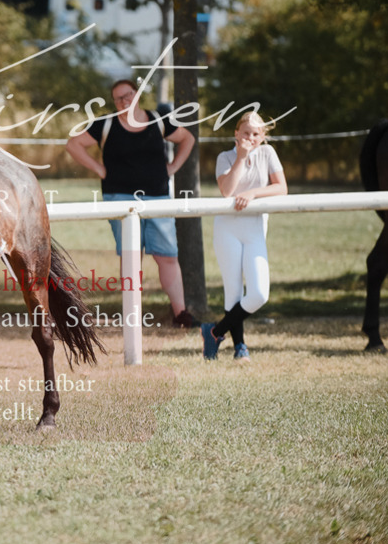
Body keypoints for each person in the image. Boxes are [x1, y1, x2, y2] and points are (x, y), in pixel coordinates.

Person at [65, 78, 199, 327]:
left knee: (167, 256)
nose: (124, 101)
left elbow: (187, 139)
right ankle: (133, 316)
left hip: (158, 196)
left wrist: (173, 167)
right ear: (114, 102)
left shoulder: (158, 119)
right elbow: (73, 145)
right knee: (131, 256)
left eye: (128, 95)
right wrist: (100, 170)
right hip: (120, 199)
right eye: (118, 98)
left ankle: (181, 314)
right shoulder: (105, 124)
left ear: (137, 95)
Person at [201, 112, 287, 361]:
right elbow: (227, 190)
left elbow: (281, 188)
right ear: (236, 133)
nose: (250, 137)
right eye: (246, 132)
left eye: (256, 133)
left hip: (255, 228)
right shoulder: (225, 157)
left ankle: (214, 331)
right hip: (227, 228)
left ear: (263, 137)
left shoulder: (268, 154)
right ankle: (240, 348)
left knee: (259, 293)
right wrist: (241, 158)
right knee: (233, 291)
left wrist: (253, 193)